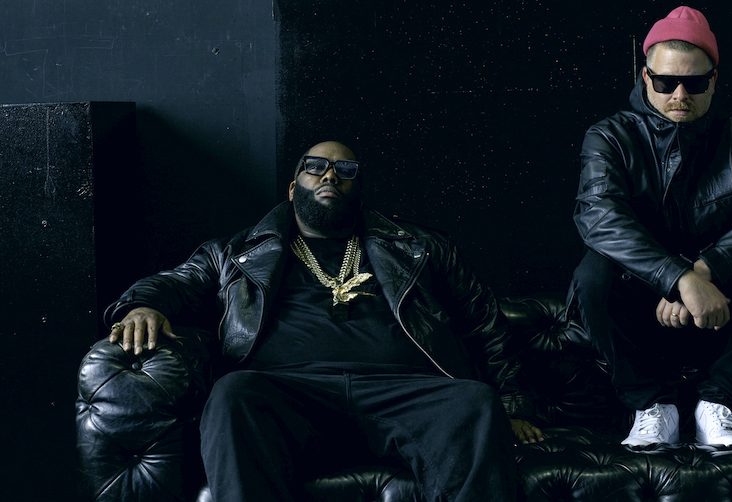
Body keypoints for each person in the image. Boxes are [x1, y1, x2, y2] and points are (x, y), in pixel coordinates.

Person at [106, 140, 543, 501]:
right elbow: (177, 282)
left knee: (473, 401)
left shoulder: (421, 247)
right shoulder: (236, 252)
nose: (330, 175)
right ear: (293, 188)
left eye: (344, 169)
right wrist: (142, 306)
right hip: (291, 393)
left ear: (358, 188)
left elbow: (482, 319)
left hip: (401, 392)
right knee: (233, 393)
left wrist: (512, 403)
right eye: (315, 167)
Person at [569, 5, 732, 447]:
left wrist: (704, 271)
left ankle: (720, 401)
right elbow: (599, 217)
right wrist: (676, 278)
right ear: (645, 78)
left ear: (713, 80)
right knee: (592, 273)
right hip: (643, 304)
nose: (680, 94)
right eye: (666, 82)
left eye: (695, 83)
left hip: (724, 304)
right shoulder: (609, 136)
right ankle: (650, 405)